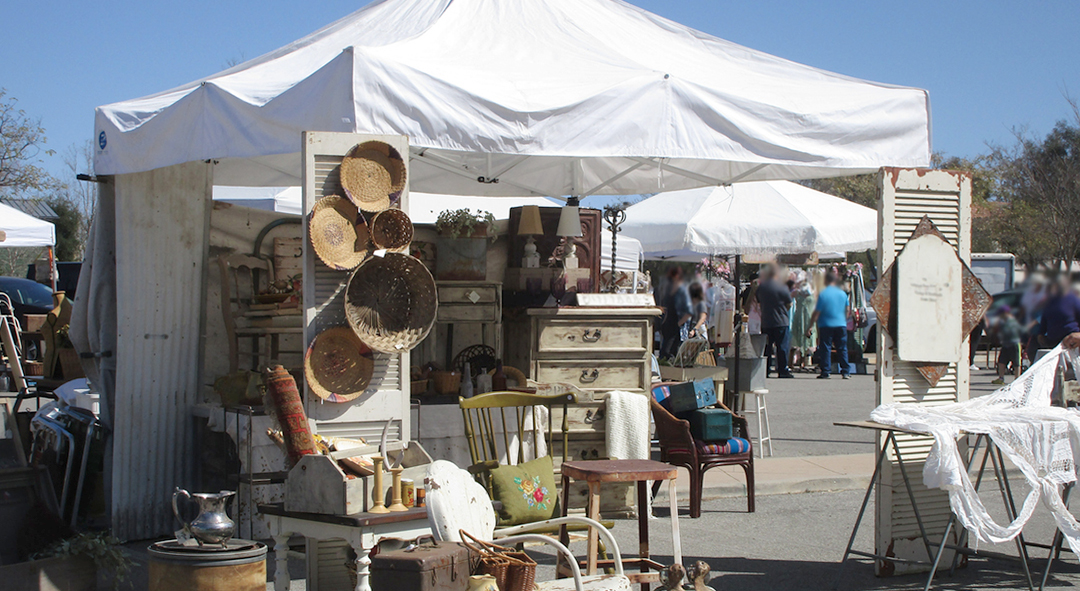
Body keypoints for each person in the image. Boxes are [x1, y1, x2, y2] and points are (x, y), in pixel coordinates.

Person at [806, 271, 850, 379]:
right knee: (842, 347)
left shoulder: (823, 294)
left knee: (825, 348)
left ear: (826, 281)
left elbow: (817, 311)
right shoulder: (842, 293)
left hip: (826, 324)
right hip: (840, 324)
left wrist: (810, 325)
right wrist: (844, 319)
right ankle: (845, 371)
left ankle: (826, 371)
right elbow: (848, 309)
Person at [756, 265, 794, 379]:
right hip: (781, 321)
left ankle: (765, 370)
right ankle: (782, 370)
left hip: (766, 321)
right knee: (782, 347)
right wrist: (782, 311)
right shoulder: (782, 287)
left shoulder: (761, 287)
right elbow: (789, 303)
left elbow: (758, 301)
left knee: (767, 348)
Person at [1039, 277, 1080, 350]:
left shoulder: (1074, 300)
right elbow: (1044, 319)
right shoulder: (1049, 302)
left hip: (1070, 339)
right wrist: (1041, 333)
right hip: (1053, 341)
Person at [660, 267, 692, 359]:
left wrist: (678, 324)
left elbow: (689, 311)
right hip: (667, 327)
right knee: (665, 353)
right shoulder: (668, 290)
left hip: (676, 328)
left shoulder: (683, 291)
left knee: (669, 353)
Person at [789, 271, 816, 370]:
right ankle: (793, 361)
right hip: (799, 317)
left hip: (809, 317)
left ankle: (805, 361)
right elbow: (788, 299)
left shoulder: (813, 291)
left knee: (808, 339)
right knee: (796, 339)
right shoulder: (796, 292)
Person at [992, 306, 1022, 385]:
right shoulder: (1002, 321)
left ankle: (1017, 378)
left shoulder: (1011, 321)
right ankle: (1001, 378)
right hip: (1005, 344)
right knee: (1001, 361)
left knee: (1016, 362)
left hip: (1014, 343)